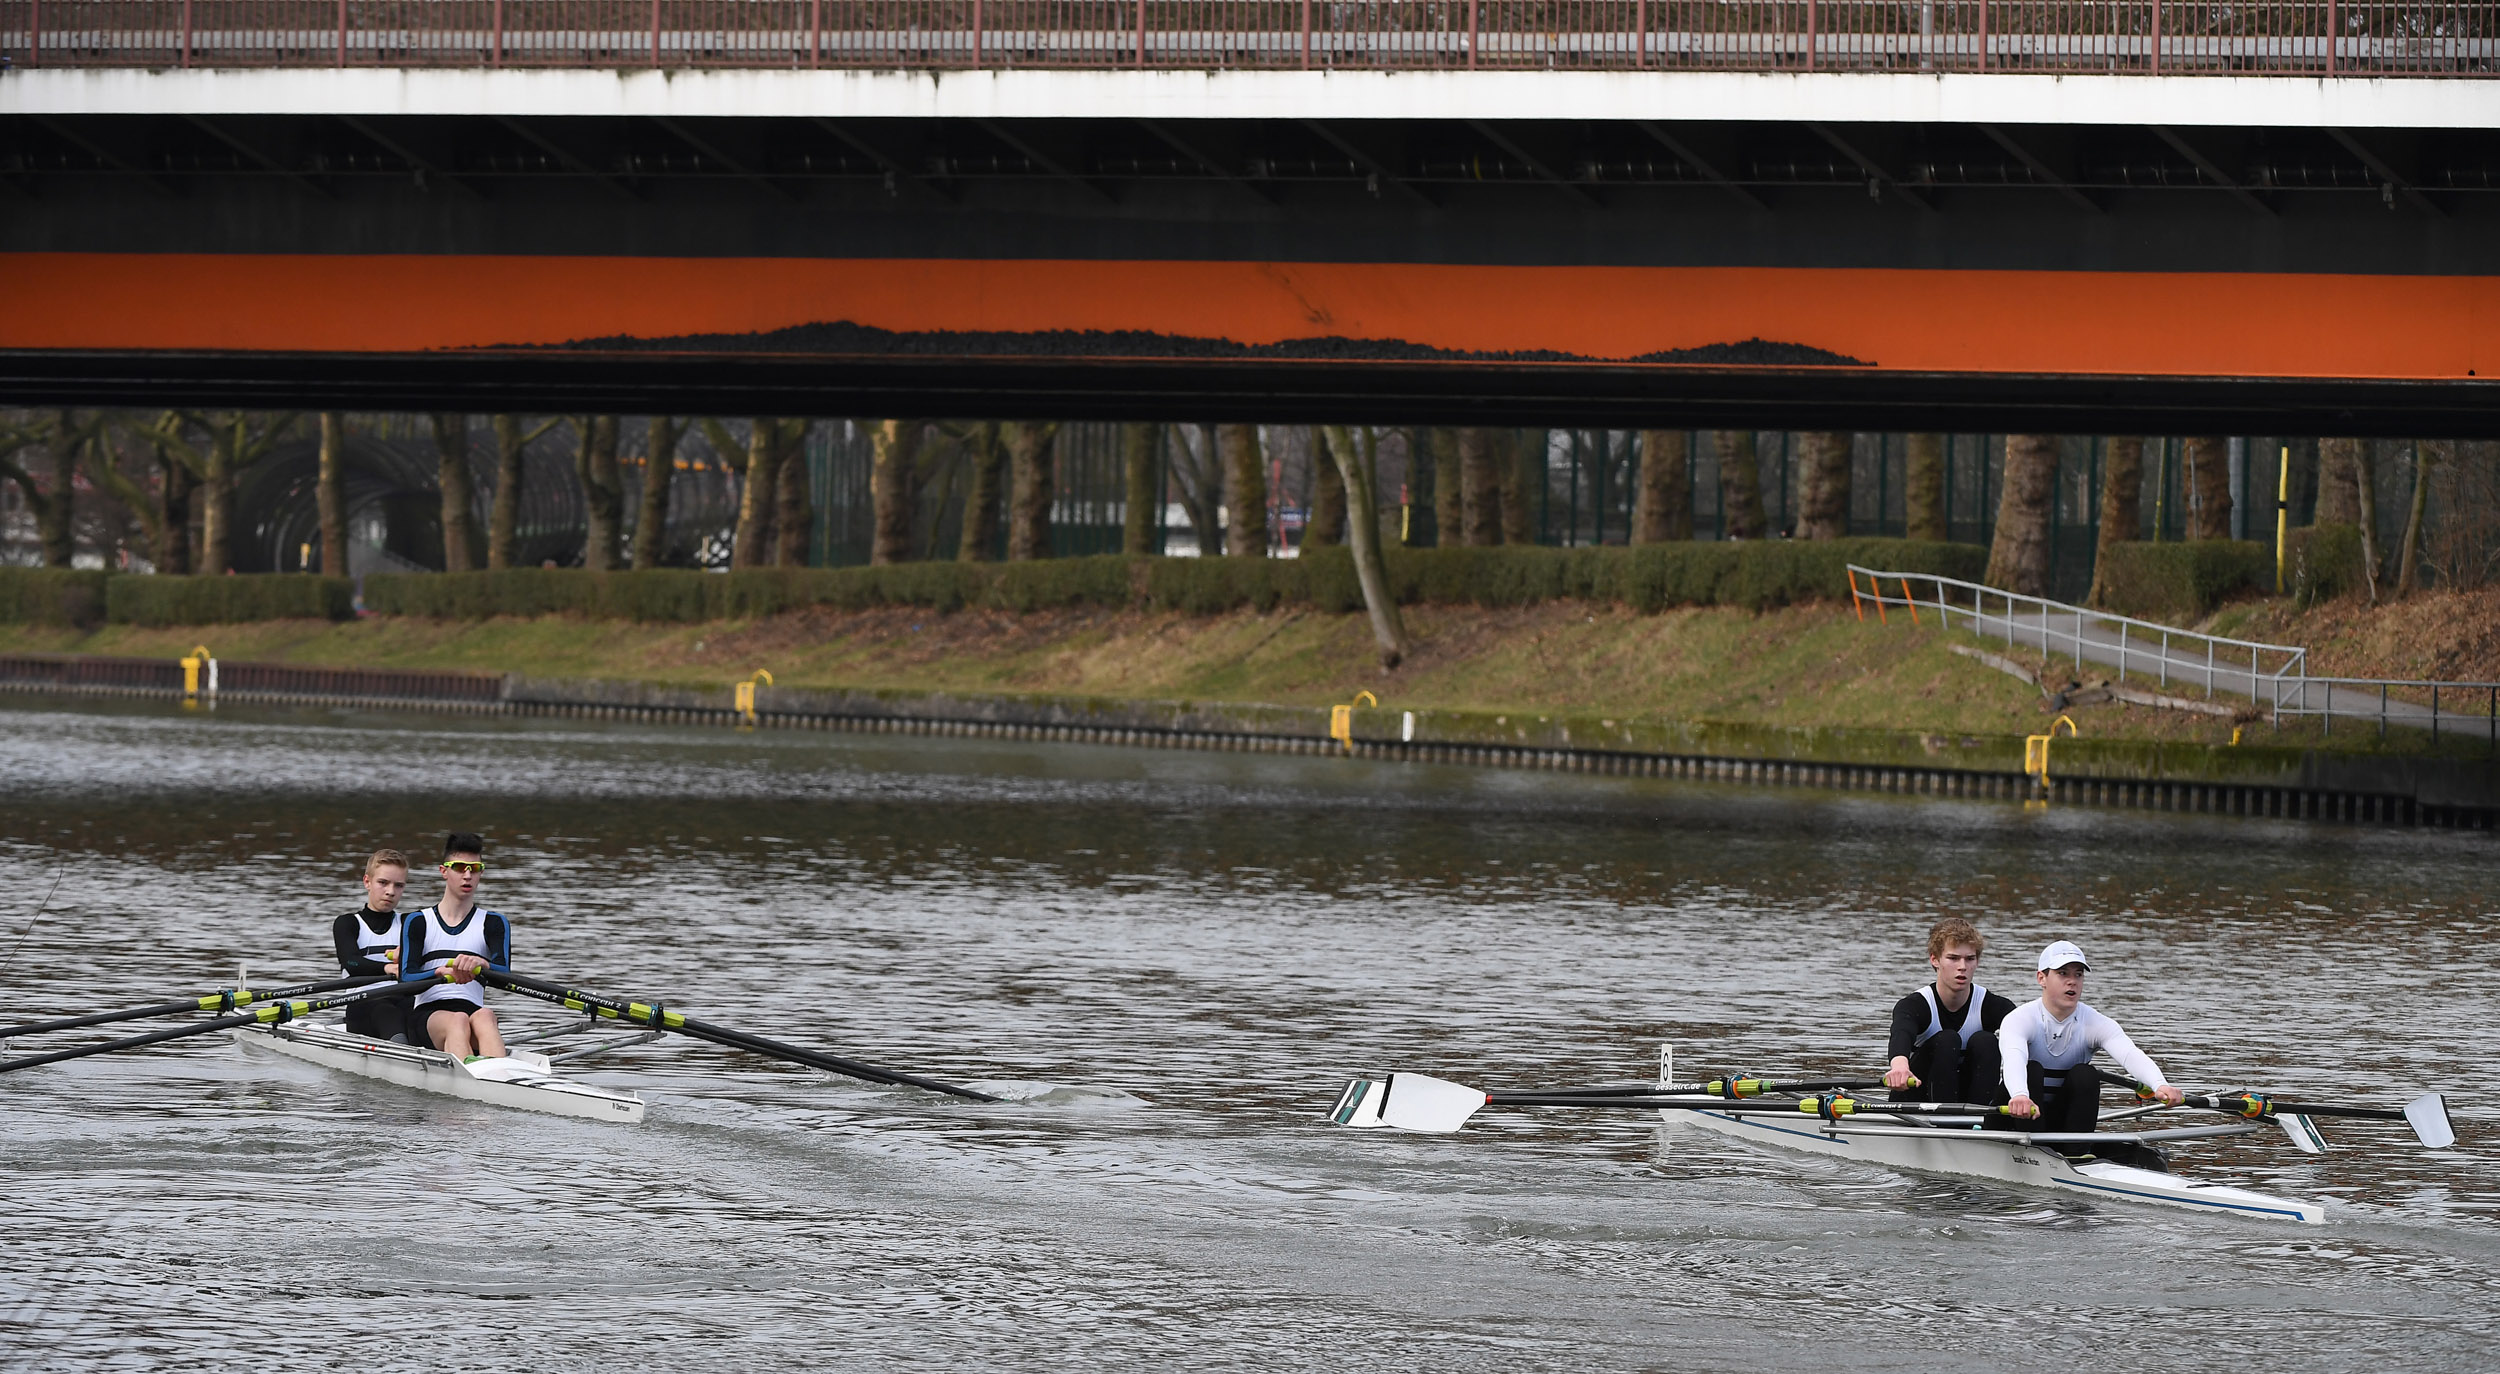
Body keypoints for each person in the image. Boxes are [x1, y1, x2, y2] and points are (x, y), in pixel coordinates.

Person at [1994, 940, 2186, 1150]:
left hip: (2057, 1120)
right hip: (2013, 1120)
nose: (2072, 982)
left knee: (2086, 1074)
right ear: (2042, 978)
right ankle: (2035, 1152)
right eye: (2063, 973)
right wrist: (2020, 1095)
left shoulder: (2094, 1022)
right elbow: (2014, 1058)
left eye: (2078, 974)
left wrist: (2160, 1085)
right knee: (2032, 1069)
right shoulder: (2020, 1019)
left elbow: (2130, 1054)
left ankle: (2077, 1153)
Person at [399, 832, 511, 1059]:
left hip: (473, 1013)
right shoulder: (418, 921)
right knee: (458, 1019)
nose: (467, 875)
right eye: (459, 867)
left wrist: (483, 963)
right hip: (428, 1017)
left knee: (486, 1015)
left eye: (475, 868)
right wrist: (438, 971)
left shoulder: (494, 923)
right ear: (444, 871)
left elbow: (505, 975)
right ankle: (481, 1079)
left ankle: (496, 1077)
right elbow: (406, 977)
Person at [1882, 918, 2013, 1105]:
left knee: (1987, 1041)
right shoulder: (1915, 1005)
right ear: (1934, 959)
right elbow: (1901, 1034)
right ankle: (1947, 1120)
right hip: (1917, 1100)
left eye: (1969, 959)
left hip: (1968, 1104)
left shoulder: (1991, 1005)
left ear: (1977, 961)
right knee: (1947, 1039)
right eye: (1953, 958)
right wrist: (1899, 1067)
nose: (1962, 967)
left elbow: (2028, 1032)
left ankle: (1980, 1118)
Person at [331, 848, 413, 1043]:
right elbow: (351, 963)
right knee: (385, 1010)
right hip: (363, 1005)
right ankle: (402, 1055)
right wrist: (389, 968)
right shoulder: (348, 923)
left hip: (402, 1002)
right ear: (367, 882)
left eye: (398, 885)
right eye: (383, 883)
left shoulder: (411, 923)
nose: (391, 892)